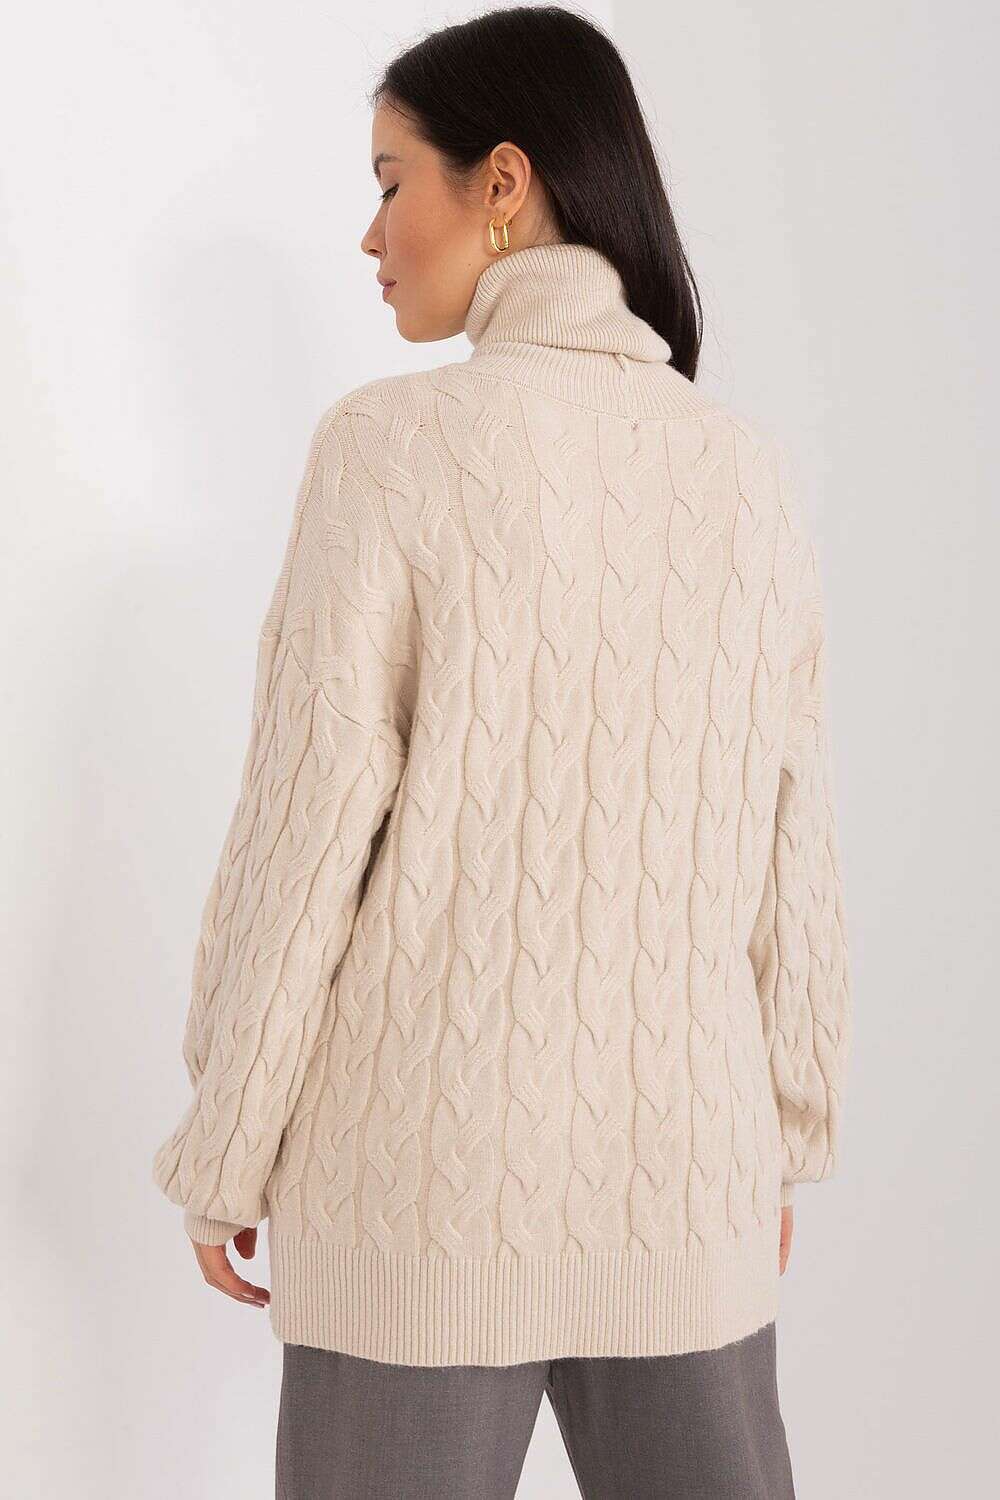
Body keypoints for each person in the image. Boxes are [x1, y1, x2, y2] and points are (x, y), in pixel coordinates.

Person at [151, 6, 852, 1497]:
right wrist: (777, 1141)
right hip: (686, 1188)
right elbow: (794, 847)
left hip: (416, 1197)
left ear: (505, 183)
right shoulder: (745, 471)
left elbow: (305, 837)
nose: (370, 233)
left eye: (391, 180)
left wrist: (225, 1148)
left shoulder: (388, 448)